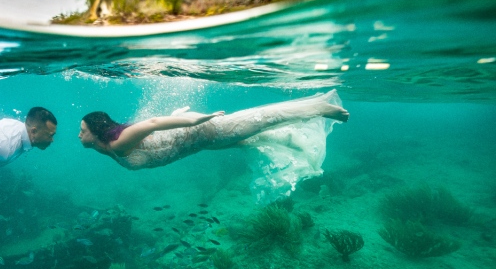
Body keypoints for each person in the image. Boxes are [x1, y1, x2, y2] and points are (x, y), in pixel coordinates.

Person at [78, 90, 349, 200]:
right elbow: (152, 137)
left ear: (96, 131)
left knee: (264, 119)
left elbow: (152, 123)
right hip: (202, 143)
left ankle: (320, 107)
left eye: (82, 130)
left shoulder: (118, 144)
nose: (79, 135)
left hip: (206, 130)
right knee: (253, 139)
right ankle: (295, 140)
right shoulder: (110, 147)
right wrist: (177, 118)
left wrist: (198, 118)